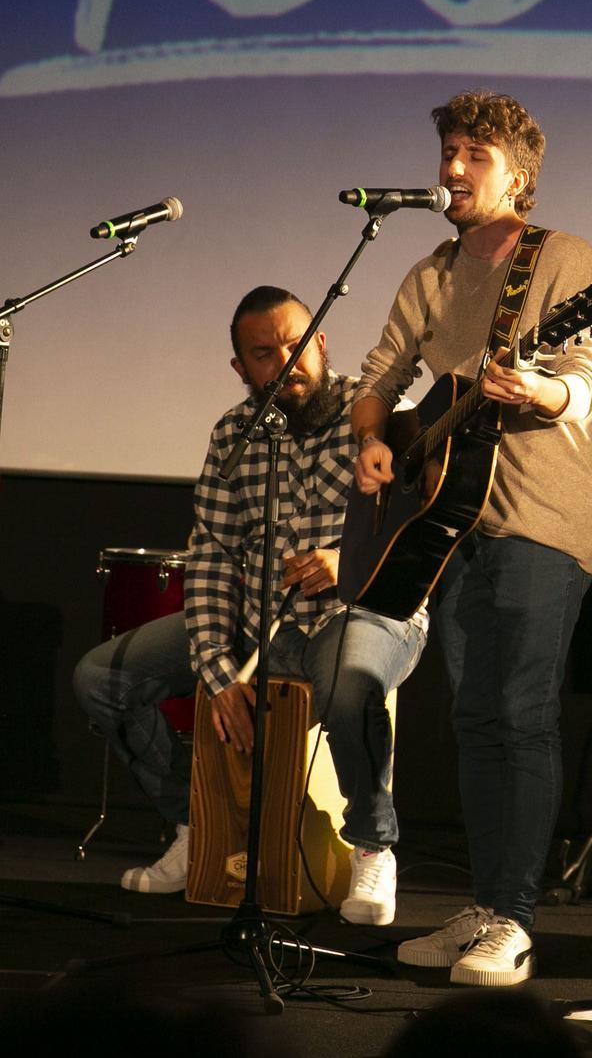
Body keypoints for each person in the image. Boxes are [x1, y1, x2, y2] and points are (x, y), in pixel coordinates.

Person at [354, 90, 592, 987]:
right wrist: (377, 439)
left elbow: (584, 375)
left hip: (541, 519)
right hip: (449, 526)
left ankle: (516, 918)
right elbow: (380, 373)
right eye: (450, 152)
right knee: (471, 717)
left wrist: (537, 393)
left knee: (521, 714)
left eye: (475, 155)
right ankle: (487, 903)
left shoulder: (562, 260)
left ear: (519, 176)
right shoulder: (426, 272)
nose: (453, 169)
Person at [73, 287, 427, 925]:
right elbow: (210, 553)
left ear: (320, 343)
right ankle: (192, 825)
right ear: (242, 368)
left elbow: (426, 533)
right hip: (256, 625)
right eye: (265, 354)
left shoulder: (381, 415)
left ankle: (374, 845)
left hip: (364, 613)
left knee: (349, 686)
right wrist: (215, 670)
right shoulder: (235, 435)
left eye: (296, 344)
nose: (285, 362)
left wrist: (348, 564)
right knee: (102, 677)